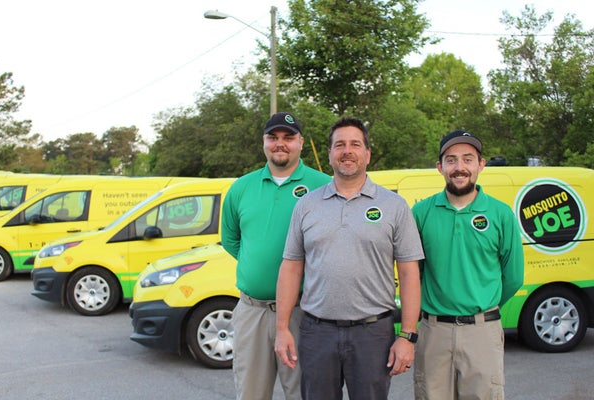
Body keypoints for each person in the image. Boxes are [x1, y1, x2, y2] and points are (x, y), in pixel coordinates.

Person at [274, 117, 424, 400]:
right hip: (317, 332)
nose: (347, 150)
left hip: (373, 333)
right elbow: (291, 268)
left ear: (367, 153)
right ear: (329, 153)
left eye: (355, 144)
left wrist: (407, 335)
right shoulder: (307, 205)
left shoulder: (394, 206)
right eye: (339, 144)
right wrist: (281, 329)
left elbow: (409, 273)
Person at [221, 112, 332, 400]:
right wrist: (261, 268)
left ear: (301, 143)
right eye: (273, 137)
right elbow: (232, 240)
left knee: (303, 392)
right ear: (264, 142)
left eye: (288, 138)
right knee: (251, 392)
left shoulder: (324, 186)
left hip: (303, 313)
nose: (279, 144)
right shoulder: (241, 188)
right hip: (252, 312)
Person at [412, 130, 524, 400]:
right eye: (451, 160)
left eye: (467, 159)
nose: (459, 168)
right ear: (440, 167)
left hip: (482, 331)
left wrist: (481, 303)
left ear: (480, 164)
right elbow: (414, 273)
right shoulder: (420, 213)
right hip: (434, 332)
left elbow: (513, 276)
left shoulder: (500, 214)